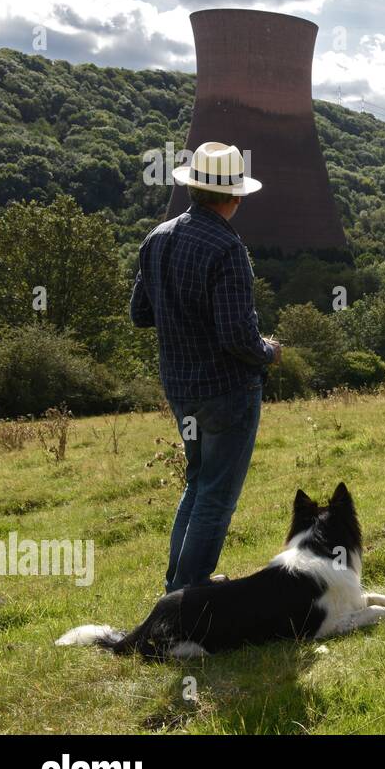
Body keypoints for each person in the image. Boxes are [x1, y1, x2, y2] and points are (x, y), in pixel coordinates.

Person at [130, 142, 282, 593]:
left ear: (193, 188)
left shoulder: (156, 238)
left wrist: (179, 313)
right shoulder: (227, 247)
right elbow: (238, 337)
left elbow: (140, 314)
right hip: (226, 392)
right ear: (234, 197)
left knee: (197, 483)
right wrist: (270, 351)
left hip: (180, 388)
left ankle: (178, 587)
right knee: (216, 496)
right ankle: (189, 594)